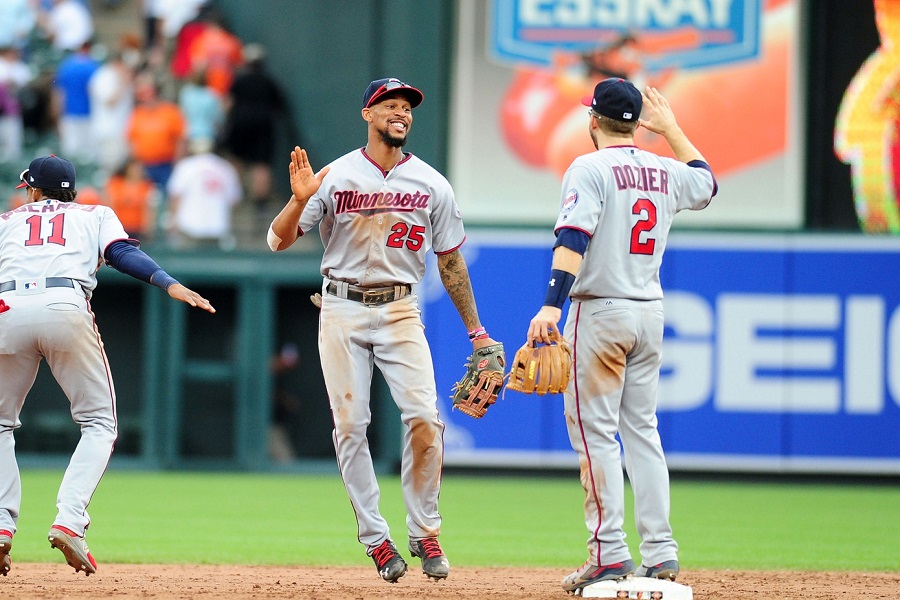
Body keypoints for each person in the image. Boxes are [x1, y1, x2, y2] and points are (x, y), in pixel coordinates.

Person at [268, 77, 499, 584]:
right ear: (368, 114)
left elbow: (452, 264)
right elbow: (277, 242)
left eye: (406, 107)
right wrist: (296, 200)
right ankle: (376, 540)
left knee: (424, 418)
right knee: (351, 427)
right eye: (390, 105)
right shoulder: (334, 176)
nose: (401, 113)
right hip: (341, 307)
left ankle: (425, 531)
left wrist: (478, 334)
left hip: (399, 308)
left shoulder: (432, 184)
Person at [520, 79, 717, 594]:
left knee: (594, 434)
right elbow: (706, 182)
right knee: (642, 433)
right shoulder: (665, 169)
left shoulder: (588, 167)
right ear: (635, 122)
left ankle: (608, 554)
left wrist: (550, 305)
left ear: (593, 120)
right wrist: (671, 129)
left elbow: (573, 237)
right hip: (648, 311)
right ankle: (661, 552)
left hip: (600, 312)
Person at [0, 154, 215, 576]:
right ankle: (70, 518)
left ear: (35, 190)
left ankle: (2, 526)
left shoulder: (8, 220)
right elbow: (120, 253)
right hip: (65, 303)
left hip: (7, 307)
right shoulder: (96, 213)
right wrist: (168, 283)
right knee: (99, 423)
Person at [221, 43, 286, 214]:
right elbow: (279, 106)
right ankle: (260, 204)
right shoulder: (268, 82)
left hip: (240, 122)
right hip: (263, 124)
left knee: (236, 159)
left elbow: (228, 103)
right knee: (261, 163)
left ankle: (236, 193)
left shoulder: (239, 80)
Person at [165, 138, 241, 249]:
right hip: (218, 227)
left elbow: (175, 196)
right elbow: (235, 200)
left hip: (189, 227)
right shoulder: (226, 167)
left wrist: (172, 221)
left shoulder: (185, 166)